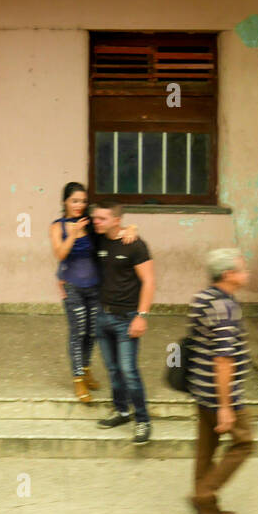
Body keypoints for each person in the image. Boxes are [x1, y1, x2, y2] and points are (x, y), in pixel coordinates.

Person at [188, 250, 254, 514]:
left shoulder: (203, 297)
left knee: (207, 448)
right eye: (242, 269)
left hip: (202, 387)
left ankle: (208, 508)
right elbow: (224, 358)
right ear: (229, 274)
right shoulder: (225, 308)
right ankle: (204, 495)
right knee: (245, 443)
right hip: (220, 392)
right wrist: (226, 405)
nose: (246, 273)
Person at [92, 201, 155, 444]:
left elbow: (149, 281)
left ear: (116, 220)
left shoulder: (135, 245)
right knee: (113, 370)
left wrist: (142, 315)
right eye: (95, 218)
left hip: (126, 318)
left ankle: (143, 421)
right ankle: (121, 411)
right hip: (102, 315)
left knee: (129, 371)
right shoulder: (98, 240)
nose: (97, 221)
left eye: (102, 218)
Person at [50, 183, 101, 402]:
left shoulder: (92, 223)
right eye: (75, 201)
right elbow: (60, 254)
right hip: (72, 287)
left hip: (96, 286)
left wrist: (131, 229)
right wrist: (73, 234)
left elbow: (112, 235)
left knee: (92, 331)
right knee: (78, 331)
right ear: (65, 202)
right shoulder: (57, 226)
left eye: (82, 201)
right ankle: (78, 378)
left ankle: (86, 367)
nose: (79, 205)